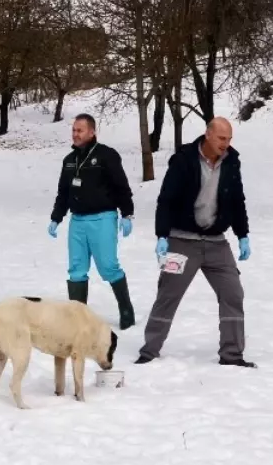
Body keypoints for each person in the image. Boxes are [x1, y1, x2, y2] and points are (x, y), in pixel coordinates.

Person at [136, 117, 256, 368]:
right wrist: (162, 235)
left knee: (233, 293)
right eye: (222, 138)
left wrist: (242, 235)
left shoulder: (232, 162)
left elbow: (237, 201)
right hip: (182, 240)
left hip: (216, 242)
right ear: (208, 135)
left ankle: (232, 355)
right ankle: (149, 351)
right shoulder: (184, 160)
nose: (226, 143)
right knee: (168, 294)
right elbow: (166, 199)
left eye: (230, 138)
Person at [47, 114, 136, 329]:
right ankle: (78, 318)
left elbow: (121, 186)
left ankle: (126, 309)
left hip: (102, 218)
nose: (75, 134)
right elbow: (63, 193)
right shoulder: (69, 161)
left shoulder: (106, 155)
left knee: (108, 267)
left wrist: (127, 213)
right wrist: (56, 218)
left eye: (80, 130)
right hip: (77, 221)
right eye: (74, 130)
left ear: (92, 132)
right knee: (76, 269)